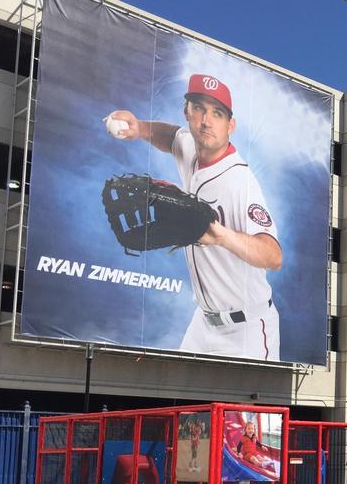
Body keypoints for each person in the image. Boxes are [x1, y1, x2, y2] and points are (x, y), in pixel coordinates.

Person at [105, 74, 282, 361]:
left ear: (230, 126)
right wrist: (140, 128)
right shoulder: (192, 147)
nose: (206, 121)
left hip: (246, 330)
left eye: (217, 113)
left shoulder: (240, 182)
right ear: (187, 112)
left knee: (240, 408)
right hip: (203, 323)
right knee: (183, 405)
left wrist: (221, 236)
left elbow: (273, 256)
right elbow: (173, 137)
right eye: (198, 108)